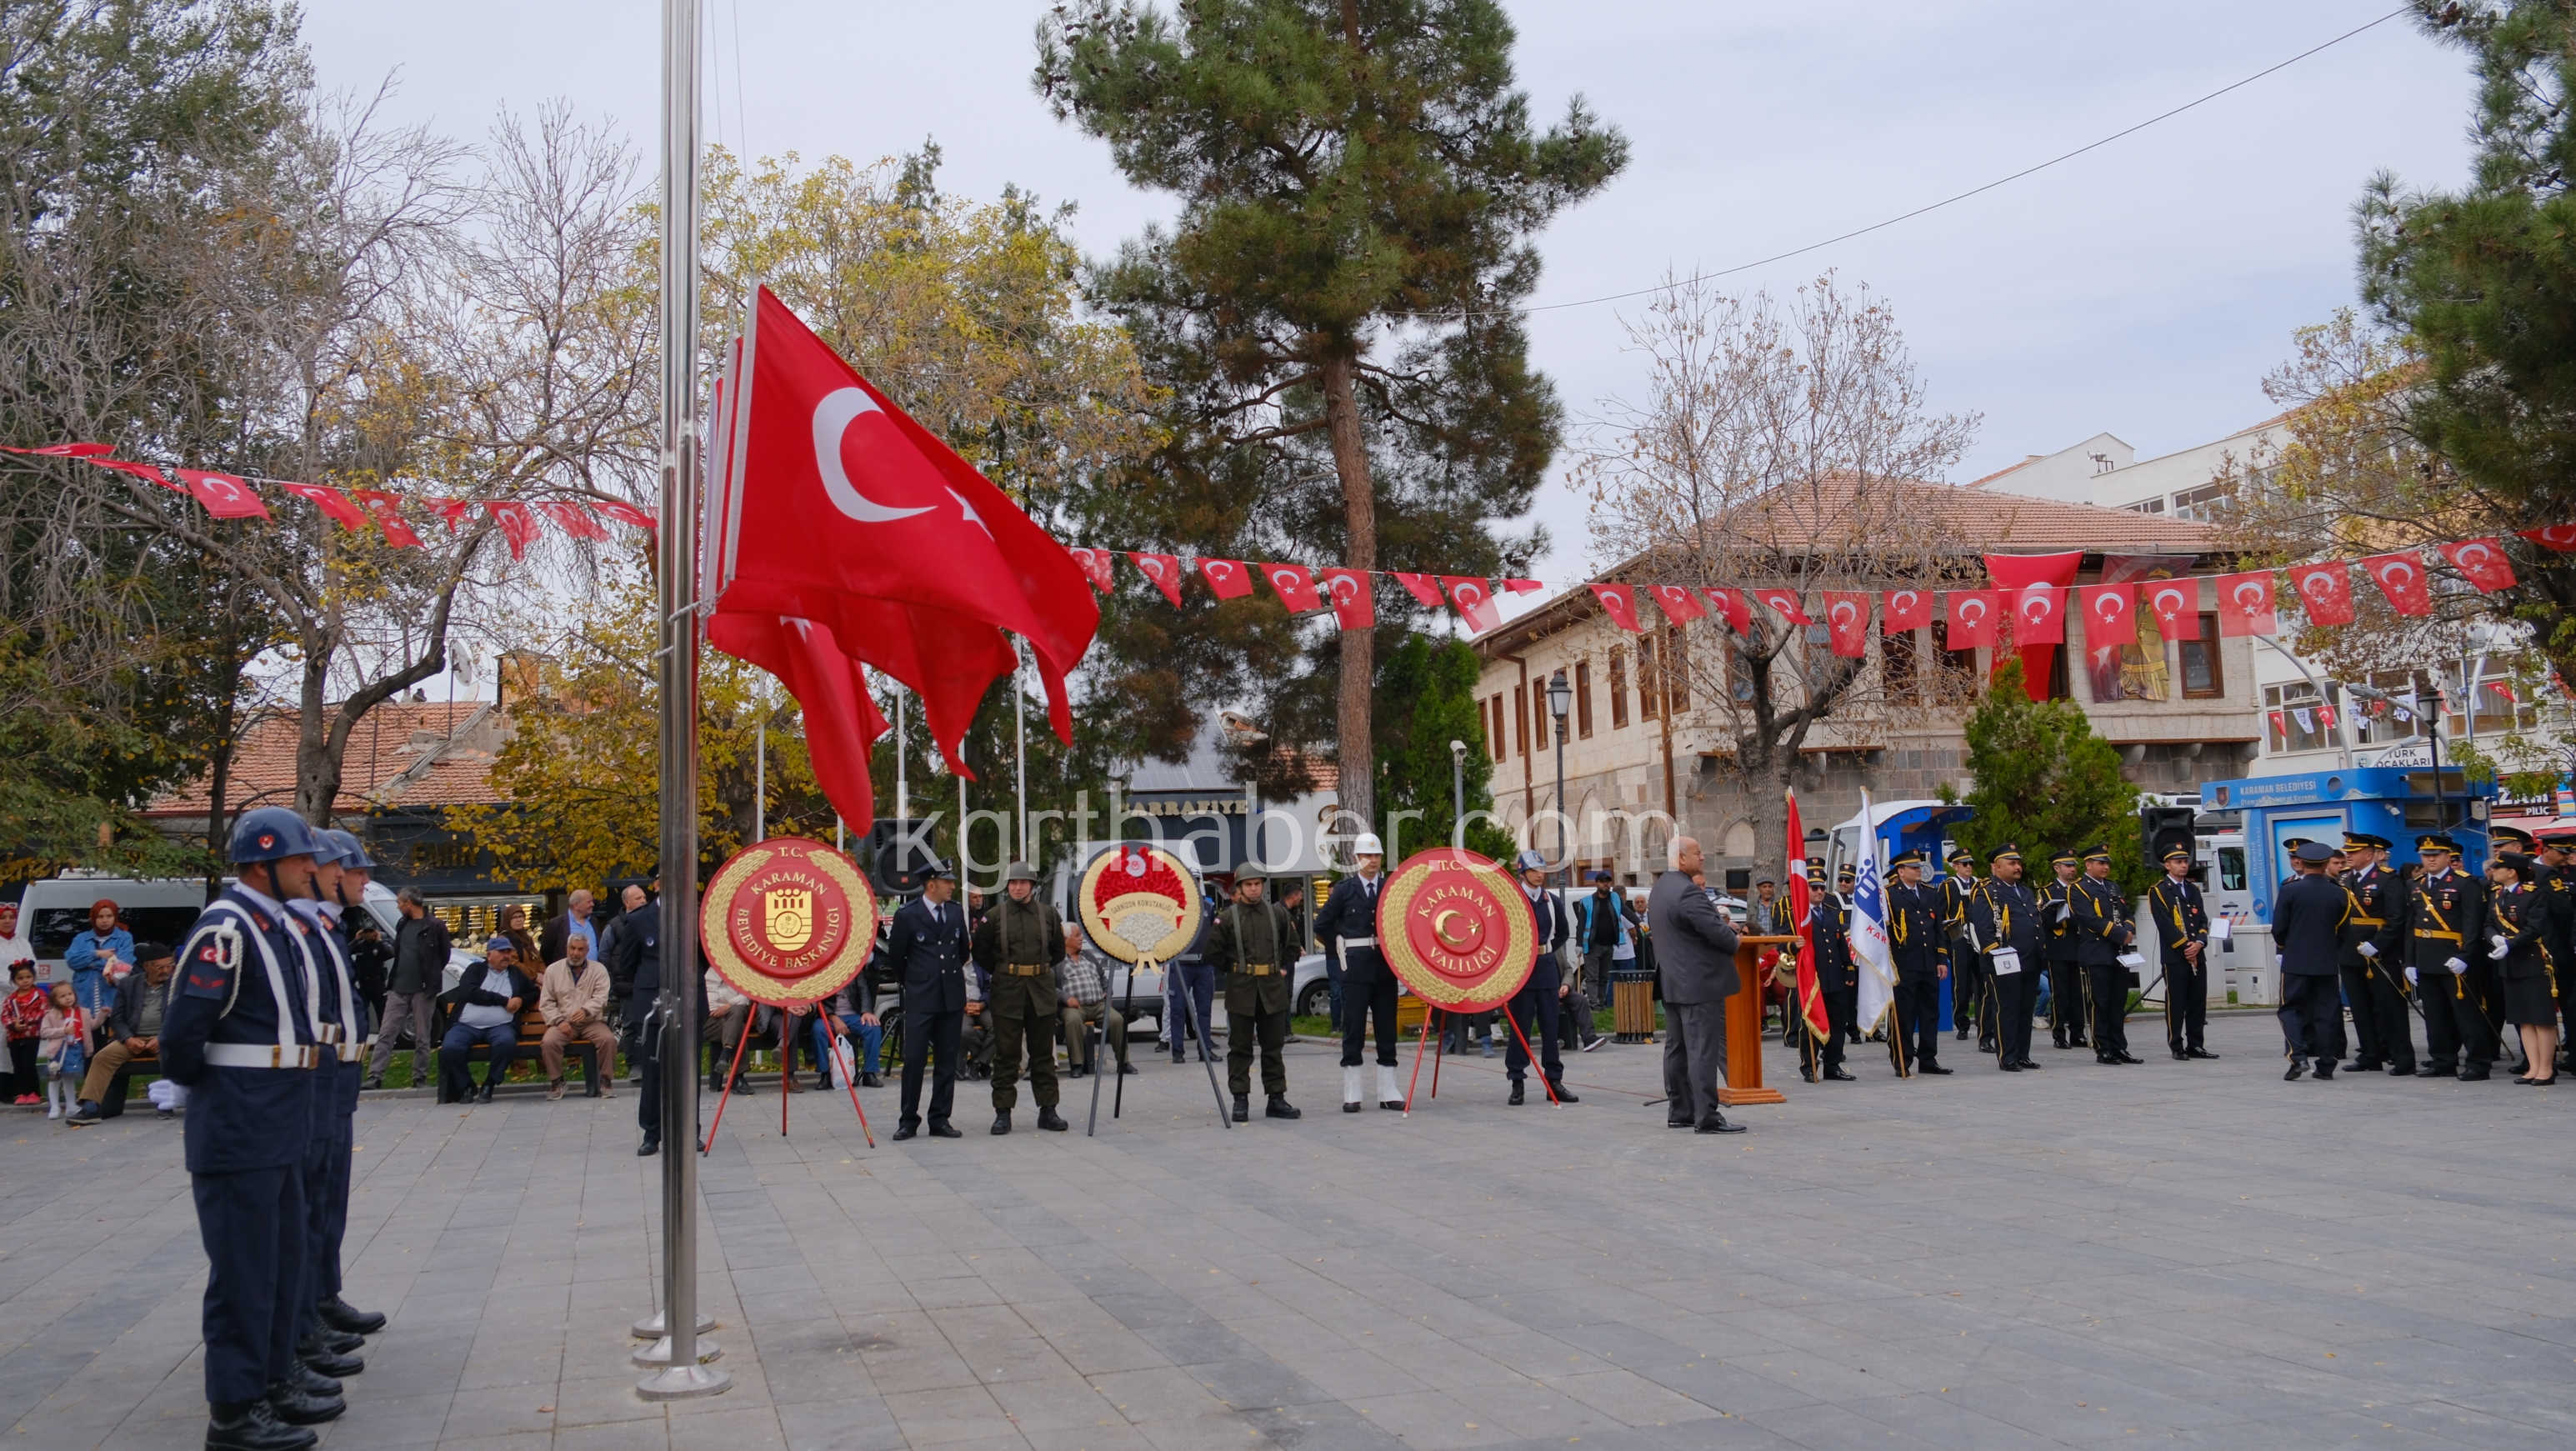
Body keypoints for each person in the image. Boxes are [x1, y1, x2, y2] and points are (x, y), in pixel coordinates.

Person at [160, 806, 340, 1448]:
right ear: (261, 863)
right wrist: (220, 1095)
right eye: (297, 859)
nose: (308, 869)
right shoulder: (227, 929)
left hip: (278, 1117)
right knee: (243, 1270)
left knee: (281, 1260)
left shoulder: (272, 925)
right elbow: (183, 1036)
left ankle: (269, 1381)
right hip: (241, 1120)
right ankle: (234, 1411)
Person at [286, 831, 371, 1383]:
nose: (360, 879)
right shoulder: (298, 930)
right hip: (313, 1079)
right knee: (310, 1202)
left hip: (335, 1076)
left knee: (329, 1198)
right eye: (352, 869)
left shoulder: (325, 926)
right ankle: (306, 1315)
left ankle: (322, 1296)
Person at [970, 863, 1068, 1134]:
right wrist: (1005, 972)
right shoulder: (995, 916)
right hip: (1008, 991)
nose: (1017, 887)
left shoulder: (1048, 915)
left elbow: (1058, 952)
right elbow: (981, 953)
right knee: (1006, 1055)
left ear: (1032, 886)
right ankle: (1003, 1113)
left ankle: (1048, 1110)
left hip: (1041, 990)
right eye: (1013, 883)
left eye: (1023, 883)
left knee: (1043, 1055)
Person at [1652, 838, 1741, 1132]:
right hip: (1698, 985)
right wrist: (1733, 937)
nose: (1703, 857)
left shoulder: (1661, 888)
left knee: (1676, 1049)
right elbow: (1720, 935)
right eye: (1697, 853)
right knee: (1703, 1050)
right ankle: (1707, 1116)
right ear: (1680, 858)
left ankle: (1680, 1110)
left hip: (1672, 982)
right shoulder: (1689, 892)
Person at [1314, 833, 1402, 1112]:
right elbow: (1322, 925)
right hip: (1355, 968)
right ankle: (1352, 1091)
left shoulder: (1390, 888)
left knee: (1387, 1028)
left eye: (1376, 856)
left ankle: (1388, 1091)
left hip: (1385, 968)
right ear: (1356, 858)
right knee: (1353, 1028)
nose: (1372, 861)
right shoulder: (1344, 890)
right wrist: (1340, 947)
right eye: (1367, 856)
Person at [1203, 868, 1299, 1122]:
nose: (1254, 888)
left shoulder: (1277, 913)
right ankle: (1240, 1099)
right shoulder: (1227, 917)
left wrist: (1281, 969)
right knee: (1240, 1048)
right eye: (1249, 885)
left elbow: (1292, 946)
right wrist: (1234, 970)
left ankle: (1276, 1098)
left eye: (1258, 884)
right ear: (1239, 888)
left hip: (1271, 989)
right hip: (1241, 991)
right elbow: (1212, 952)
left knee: (1273, 1047)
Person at [890, 863, 970, 1141]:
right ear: (931, 885)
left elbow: (962, 952)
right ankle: (908, 1120)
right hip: (921, 998)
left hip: (950, 997)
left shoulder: (955, 911)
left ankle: (940, 1119)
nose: (952, 886)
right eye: (947, 882)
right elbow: (897, 958)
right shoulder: (908, 915)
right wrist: (917, 982)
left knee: (947, 1061)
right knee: (914, 1060)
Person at [2404, 834, 2494, 1081]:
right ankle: (2443, 1060)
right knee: (2435, 1015)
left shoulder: (2466, 883)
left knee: (2466, 1014)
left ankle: (2478, 1062)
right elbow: (2411, 926)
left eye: (2436, 855)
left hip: (2455, 958)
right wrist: (2410, 961)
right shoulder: (2417, 884)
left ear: (2447, 857)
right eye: (2426, 855)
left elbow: (2473, 923)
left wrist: (2466, 955)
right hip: (2426, 957)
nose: (2430, 860)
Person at [67, 942, 176, 1123]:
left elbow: (183, 1017)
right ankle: (91, 1107)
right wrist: (128, 1038)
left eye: (169, 966)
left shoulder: (177, 985)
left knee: (172, 1055)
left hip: (164, 1037)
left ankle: (167, 1103)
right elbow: (117, 1018)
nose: (166, 971)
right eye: (160, 967)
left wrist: (163, 1037)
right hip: (133, 1037)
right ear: (147, 966)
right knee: (102, 1057)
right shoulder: (129, 984)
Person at [2337, 833, 2417, 1075]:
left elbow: (2397, 918)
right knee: (2360, 1007)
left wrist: (2378, 944)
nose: (2348, 855)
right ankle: (2370, 1054)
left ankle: (2402, 1057)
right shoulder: (2346, 879)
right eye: (2347, 851)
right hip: (2351, 953)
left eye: (2354, 851)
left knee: (2390, 1007)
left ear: (2369, 855)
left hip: (2380, 955)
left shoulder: (2387, 879)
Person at [2271, 839, 2349, 1078]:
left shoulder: (2290, 891)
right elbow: (2344, 930)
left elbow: (2279, 928)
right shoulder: (2339, 893)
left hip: (2295, 961)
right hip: (2326, 962)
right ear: (2326, 864)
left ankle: (2298, 1056)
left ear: (2302, 864)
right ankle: (2326, 1064)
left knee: (2290, 1010)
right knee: (2326, 1013)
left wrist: (2286, 947)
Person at [1503, 850, 1577, 1105]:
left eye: (1542, 871)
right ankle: (1517, 1081)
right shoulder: (1513, 901)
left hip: (1546, 966)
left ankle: (1554, 1082)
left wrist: (1544, 949)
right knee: (1520, 1028)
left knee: (1550, 1026)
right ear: (1523, 873)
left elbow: (1563, 933)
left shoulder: (1551, 901)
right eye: (1534, 871)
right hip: (1521, 968)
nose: (1540, 875)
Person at [1965, 845, 2045, 1073]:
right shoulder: (1987, 892)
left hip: (2029, 959)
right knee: (2007, 1009)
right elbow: (1982, 927)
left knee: (2024, 1009)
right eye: (2011, 863)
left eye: (2018, 862)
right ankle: (2007, 1056)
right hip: (2004, 960)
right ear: (1995, 866)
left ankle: (2023, 1054)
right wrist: (1995, 953)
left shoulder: (2025, 891)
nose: (2018, 867)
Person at [2487, 853, 2560, 1085]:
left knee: (2541, 1018)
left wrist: (2510, 944)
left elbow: (2535, 927)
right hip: (2510, 962)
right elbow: (2488, 923)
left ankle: (2546, 1068)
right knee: (2523, 1019)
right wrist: (2495, 939)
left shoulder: (2533, 894)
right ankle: (2533, 1066)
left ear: (2512, 872)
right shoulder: (2497, 895)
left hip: (2532, 960)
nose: (2494, 871)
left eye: (2499, 867)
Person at [368, 889, 448, 1089]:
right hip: (398, 986)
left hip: (423, 989)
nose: (398, 906)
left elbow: (443, 955)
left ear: (409, 903)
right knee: (387, 1032)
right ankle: (375, 1076)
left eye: (400, 902)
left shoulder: (435, 926)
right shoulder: (403, 924)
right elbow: (399, 950)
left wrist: (430, 977)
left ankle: (419, 1077)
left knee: (423, 1035)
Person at [2071, 845, 2143, 1065]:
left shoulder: (2112, 887)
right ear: (2088, 864)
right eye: (2100, 863)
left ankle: (2119, 1047)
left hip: (2119, 952)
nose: (2105, 867)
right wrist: (2120, 933)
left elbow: (2127, 912)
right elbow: (2090, 918)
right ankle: (2103, 1048)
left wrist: (2129, 929)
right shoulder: (2079, 889)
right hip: (2097, 952)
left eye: (2107, 863)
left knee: (2117, 1002)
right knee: (2101, 1002)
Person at [2145, 847, 2218, 1063]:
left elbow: (2202, 919)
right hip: (2176, 956)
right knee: (2176, 1002)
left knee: (2197, 1001)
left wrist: (2200, 943)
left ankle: (2196, 1044)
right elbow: (2165, 924)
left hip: (2197, 954)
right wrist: (2186, 946)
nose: (2183, 865)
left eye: (2185, 861)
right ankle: (2176, 1045)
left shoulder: (2192, 889)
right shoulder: (2159, 891)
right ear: (2167, 865)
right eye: (2178, 862)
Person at [608, 889, 665, 1157]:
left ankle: (691, 1131)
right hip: (652, 1005)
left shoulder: (696, 916)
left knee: (686, 1071)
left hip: (685, 1002)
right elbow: (627, 964)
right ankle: (651, 1133)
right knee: (652, 1071)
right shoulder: (640, 920)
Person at [1883, 851, 1950, 1075]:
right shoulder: (1890, 895)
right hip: (1904, 963)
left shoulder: (1930, 893)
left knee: (1930, 1013)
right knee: (1905, 1015)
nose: (1918, 870)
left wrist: (1941, 958)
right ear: (1901, 871)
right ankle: (1902, 1060)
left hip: (1928, 962)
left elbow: (1939, 928)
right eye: (1913, 868)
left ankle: (1928, 1059)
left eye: (1919, 867)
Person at [441, 938, 530, 1104]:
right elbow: (469, 992)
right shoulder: (476, 969)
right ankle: (466, 1085)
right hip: (467, 1025)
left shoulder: (515, 973)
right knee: (450, 1047)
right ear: (489, 955)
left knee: (506, 1042)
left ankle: (490, 1083)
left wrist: (520, 1000)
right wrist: (504, 1001)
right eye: (502, 952)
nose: (507, 956)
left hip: (500, 1026)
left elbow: (533, 992)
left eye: (508, 952)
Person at [536, 931, 617, 1099]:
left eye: (580, 949)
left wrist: (587, 1010)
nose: (575, 953)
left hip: (591, 1021)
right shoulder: (553, 970)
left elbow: (602, 997)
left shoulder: (598, 969)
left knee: (608, 1040)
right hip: (564, 1021)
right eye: (572, 948)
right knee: (549, 1042)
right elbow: (546, 1002)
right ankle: (557, 1082)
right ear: (567, 949)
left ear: (587, 951)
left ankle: (606, 1080)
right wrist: (558, 1021)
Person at [1798, 868, 1856, 1083]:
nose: (1820, 892)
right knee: (1812, 1024)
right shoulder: (1801, 916)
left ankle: (1832, 1065)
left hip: (1835, 978)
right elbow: (1785, 941)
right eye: (1814, 888)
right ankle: (1809, 1065)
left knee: (1837, 1023)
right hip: (1813, 979)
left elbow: (1841, 944)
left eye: (1822, 887)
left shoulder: (1832, 913)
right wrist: (1791, 946)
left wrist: (1849, 968)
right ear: (1806, 890)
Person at [1573, 870, 1637, 1054]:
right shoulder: (1587, 902)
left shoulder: (1615, 899)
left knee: (1603, 976)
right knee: (1592, 977)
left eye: (1608, 882)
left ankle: (1600, 1003)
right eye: (1603, 882)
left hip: (1609, 944)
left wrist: (1639, 923)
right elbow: (1581, 924)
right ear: (1597, 884)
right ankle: (1594, 1004)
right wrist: (1578, 943)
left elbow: (1626, 912)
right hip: (1592, 945)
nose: (1606, 885)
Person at [1056, 924, 1130, 1079]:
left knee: (1117, 1020)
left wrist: (1108, 993)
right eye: (1077, 935)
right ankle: (1077, 1065)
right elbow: (1048, 986)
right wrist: (1065, 998)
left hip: (1098, 1004)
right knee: (1072, 1020)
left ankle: (1123, 1063)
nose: (1081, 938)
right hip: (1075, 1007)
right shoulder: (1056, 960)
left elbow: (1103, 978)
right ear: (1065, 939)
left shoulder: (1088, 956)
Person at [1938, 849, 1987, 1052]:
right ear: (1955, 866)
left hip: (1980, 937)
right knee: (1962, 982)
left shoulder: (1980, 884)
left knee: (1983, 980)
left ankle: (1985, 1023)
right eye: (1964, 864)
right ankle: (1962, 1023)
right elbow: (1941, 913)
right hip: (1958, 937)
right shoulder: (1948, 886)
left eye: (1970, 863)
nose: (1968, 867)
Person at [66, 898, 133, 1038]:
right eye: (100, 916)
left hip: (113, 999)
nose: (104, 920)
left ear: (115, 917)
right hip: (85, 999)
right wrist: (98, 954)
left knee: (114, 1042)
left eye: (109, 916)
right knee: (88, 1043)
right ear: (93, 918)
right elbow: (72, 961)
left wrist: (89, 963)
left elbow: (123, 967)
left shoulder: (124, 937)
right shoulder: (81, 938)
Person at [2039, 851, 2087, 1051]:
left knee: (2078, 993)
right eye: (2067, 866)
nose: (2072, 869)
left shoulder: (2080, 889)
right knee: (2060, 993)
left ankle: (2078, 1033)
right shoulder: (2048, 892)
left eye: (2073, 866)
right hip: (2058, 948)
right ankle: (2059, 1033)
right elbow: (2045, 920)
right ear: (2057, 868)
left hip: (2078, 946)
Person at [702, 963, 761, 1095]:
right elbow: (710, 1006)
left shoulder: (737, 971)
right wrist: (727, 1007)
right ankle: (738, 1079)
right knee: (738, 1028)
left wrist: (727, 1007)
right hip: (711, 1022)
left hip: (731, 1018)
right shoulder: (707, 974)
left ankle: (726, 1054)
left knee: (737, 1012)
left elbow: (746, 996)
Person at [599, 883, 650, 1028]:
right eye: (638, 898)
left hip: (647, 982)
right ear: (626, 902)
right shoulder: (614, 926)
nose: (643, 901)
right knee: (631, 1026)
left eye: (644, 897)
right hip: (626, 985)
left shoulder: (651, 922)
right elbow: (604, 955)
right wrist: (616, 975)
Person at [38, 980, 87, 1118]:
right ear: (54, 1000)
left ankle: (71, 1105)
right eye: (62, 996)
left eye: (70, 994)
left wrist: (101, 1015)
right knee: (55, 1078)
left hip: (73, 1049)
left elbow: (90, 1026)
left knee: (69, 1078)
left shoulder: (80, 1012)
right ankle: (54, 1106)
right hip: (57, 1051)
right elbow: (44, 1032)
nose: (68, 997)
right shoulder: (50, 1015)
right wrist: (63, 1031)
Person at [3, 962, 45, 1106]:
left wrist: (25, 1022)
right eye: (20, 978)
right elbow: (5, 1015)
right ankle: (21, 1093)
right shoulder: (11, 999)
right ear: (14, 981)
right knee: (18, 1065)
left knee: (29, 1064)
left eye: (28, 977)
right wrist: (13, 1025)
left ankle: (34, 1092)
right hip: (14, 1037)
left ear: (34, 978)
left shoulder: (39, 995)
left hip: (31, 1035)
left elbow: (43, 1012)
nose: (25, 980)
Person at [540, 889, 599, 966]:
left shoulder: (594, 922)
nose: (592, 904)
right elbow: (546, 952)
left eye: (592, 901)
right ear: (576, 905)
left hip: (593, 974)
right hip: (566, 975)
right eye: (589, 902)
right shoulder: (556, 924)